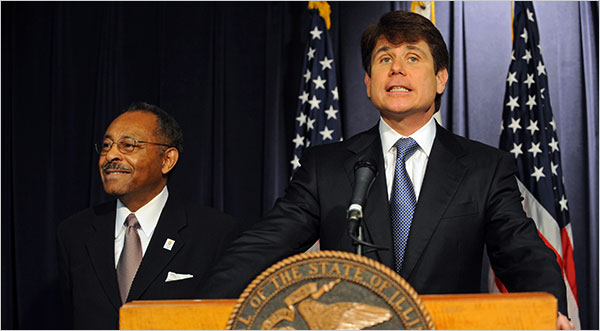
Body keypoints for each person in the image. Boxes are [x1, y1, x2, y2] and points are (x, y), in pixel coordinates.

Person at [199, 11, 573, 329]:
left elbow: (522, 252)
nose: (396, 68)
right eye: (383, 59)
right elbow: (264, 245)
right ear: (368, 83)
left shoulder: (484, 168)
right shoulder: (324, 167)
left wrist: (551, 309)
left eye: (413, 58)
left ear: (440, 78)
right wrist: (199, 309)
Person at [57, 102, 240, 329]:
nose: (111, 155)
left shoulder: (215, 233)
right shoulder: (74, 233)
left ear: (167, 160)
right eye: (106, 145)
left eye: (128, 145)